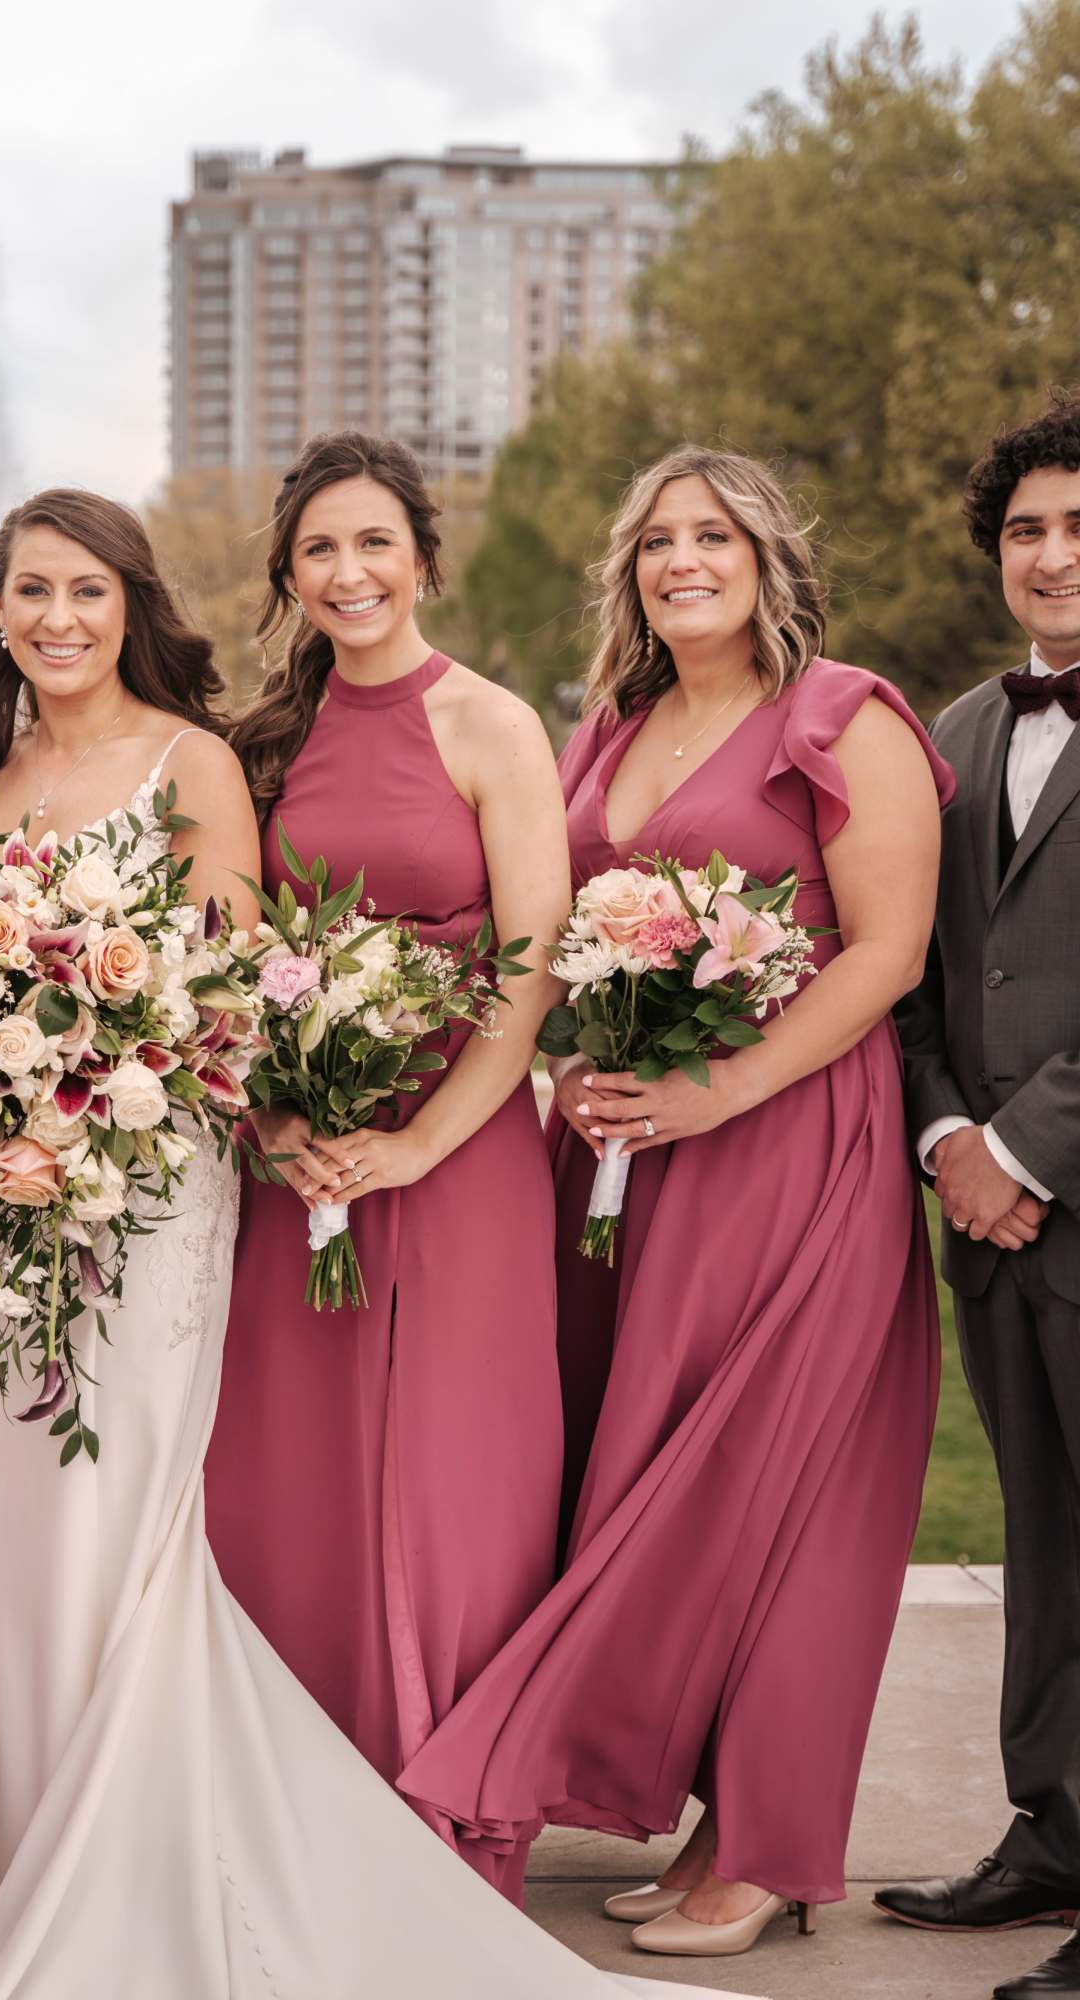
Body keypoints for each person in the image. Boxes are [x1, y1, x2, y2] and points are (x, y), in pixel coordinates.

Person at [0, 485, 733, 1999]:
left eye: (87, 589)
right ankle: (27, 1848)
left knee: (215, 1496)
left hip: (172, 1177)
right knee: (69, 1518)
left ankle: (245, 1837)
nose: (58, 617)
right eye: (30, 588)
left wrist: (117, 1114)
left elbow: (249, 978)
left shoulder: (232, 758)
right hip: (24, 1200)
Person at [401, 446, 952, 1960]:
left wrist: (721, 1092)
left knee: (782, 1487)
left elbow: (883, 952)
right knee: (659, 1476)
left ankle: (769, 1846)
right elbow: (562, 934)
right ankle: (709, 1812)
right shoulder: (608, 728)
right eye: (656, 541)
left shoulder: (848, 717)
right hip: (631, 1163)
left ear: (770, 557)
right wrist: (577, 1067)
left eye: (713, 536)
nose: (682, 562)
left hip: (790, 1149)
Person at [207, 431, 568, 1902]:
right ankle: (302, 1785)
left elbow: (531, 967)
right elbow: (219, 956)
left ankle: (451, 1789)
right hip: (297, 1157)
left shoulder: (491, 724)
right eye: (317, 552)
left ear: (422, 555)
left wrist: (419, 1139)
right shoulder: (261, 746)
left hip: (462, 1146)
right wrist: (277, 1126)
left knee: (454, 1473)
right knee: (288, 1471)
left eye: (373, 544)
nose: (347, 574)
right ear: (289, 578)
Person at [881, 394, 1080, 2000]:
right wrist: (947, 1132)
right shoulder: (947, 735)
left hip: (1059, 1187)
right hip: (987, 1222)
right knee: (1044, 1538)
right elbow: (918, 967)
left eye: (1079, 528)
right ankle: (1053, 1836)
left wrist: (1019, 1151)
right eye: (1028, 529)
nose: (1053, 555)